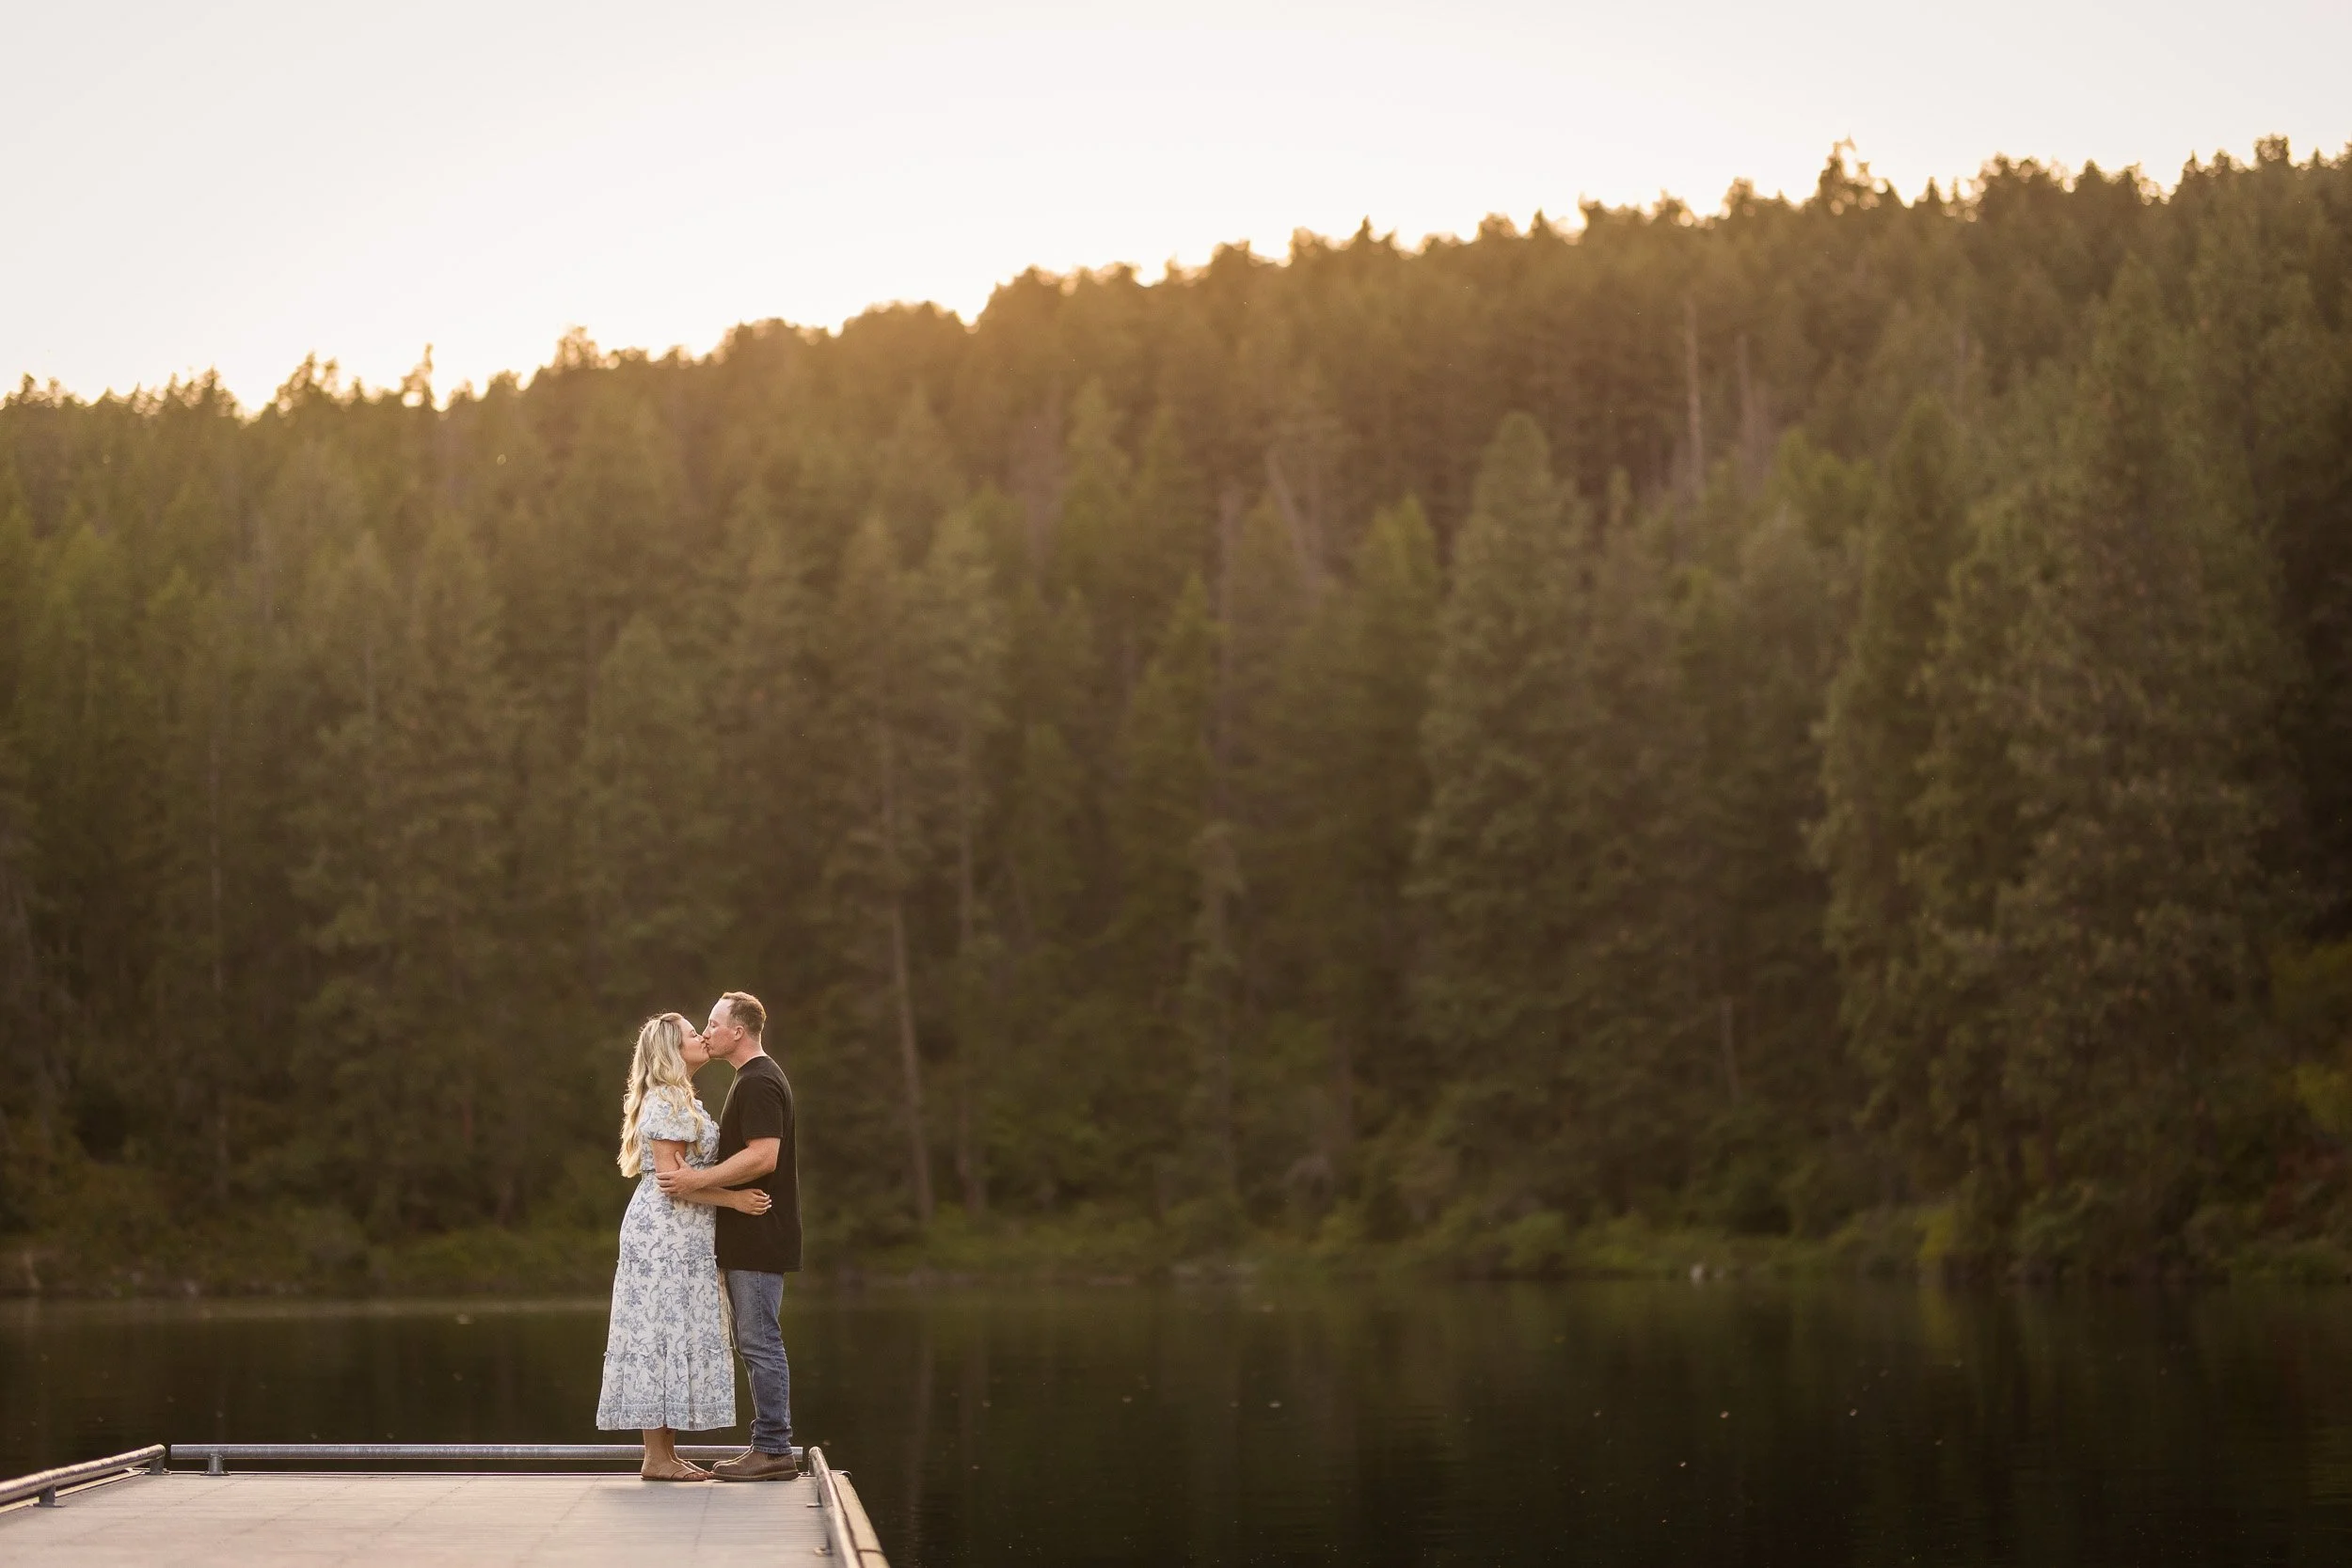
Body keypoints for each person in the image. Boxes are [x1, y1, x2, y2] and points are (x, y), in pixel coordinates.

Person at [596, 1012, 772, 1481]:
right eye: (694, 1034)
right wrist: (734, 1199)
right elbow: (675, 1183)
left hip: (685, 1233)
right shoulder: (669, 1100)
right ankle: (656, 1458)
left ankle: (665, 1456)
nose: (703, 1037)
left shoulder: (681, 1097)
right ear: (673, 1050)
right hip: (664, 1235)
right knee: (660, 1333)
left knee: (675, 1332)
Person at [658, 990, 801, 1481]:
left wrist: (694, 1181)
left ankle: (774, 1449)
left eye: (714, 1023)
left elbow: (764, 1157)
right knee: (755, 1340)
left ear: (737, 1031)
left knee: (760, 1342)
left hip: (761, 1231)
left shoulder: (759, 1080)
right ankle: (768, 1445)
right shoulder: (752, 1078)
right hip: (749, 1230)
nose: (708, 1030)